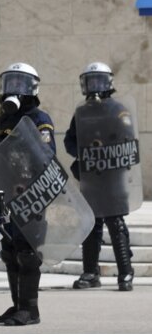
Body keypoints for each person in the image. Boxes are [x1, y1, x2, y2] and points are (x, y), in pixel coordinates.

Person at [64, 62, 137, 292]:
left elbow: (128, 138)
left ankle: (125, 273)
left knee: (115, 223)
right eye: (90, 81)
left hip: (113, 178)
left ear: (108, 83)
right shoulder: (82, 112)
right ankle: (90, 272)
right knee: (91, 224)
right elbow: (69, 140)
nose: (94, 86)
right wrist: (82, 152)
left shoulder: (118, 110)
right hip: (91, 178)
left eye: (98, 81)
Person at [0, 63, 54, 326]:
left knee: (28, 252)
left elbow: (48, 155)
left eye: (20, 83)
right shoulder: (2, 121)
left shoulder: (40, 119)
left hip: (32, 195)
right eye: (10, 83)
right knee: (10, 250)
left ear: (32, 88)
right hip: (7, 195)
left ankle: (31, 309)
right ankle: (17, 304)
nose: (14, 89)